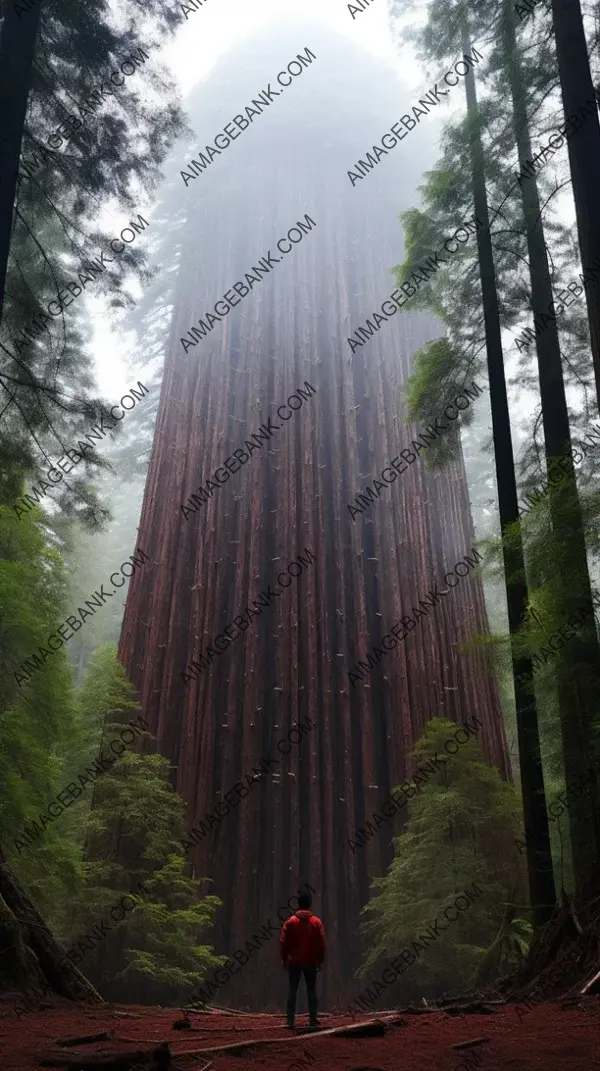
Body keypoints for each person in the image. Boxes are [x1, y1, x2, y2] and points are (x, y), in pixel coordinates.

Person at [279, 890, 326, 1029]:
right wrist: (320, 960)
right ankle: (312, 1019)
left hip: (294, 962)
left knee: (292, 990)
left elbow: (283, 942)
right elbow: (322, 943)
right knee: (311, 990)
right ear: (309, 904)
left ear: (298, 905)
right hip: (310, 961)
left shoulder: (290, 922)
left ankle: (290, 1020)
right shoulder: (316, 922)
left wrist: (284, 959)